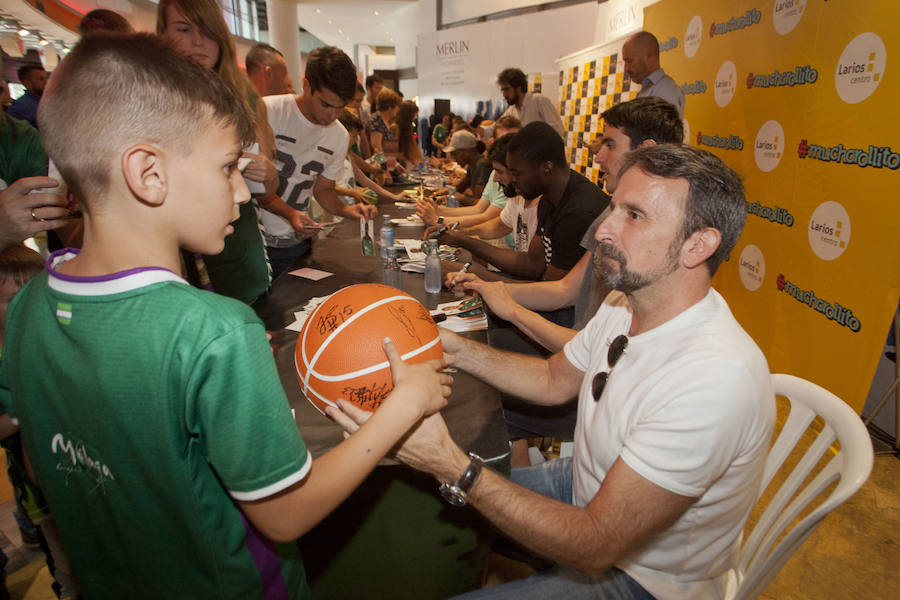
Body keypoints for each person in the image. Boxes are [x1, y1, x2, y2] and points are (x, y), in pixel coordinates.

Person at [0, 33, 450, 598]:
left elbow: (45, 463)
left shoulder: (27, 308)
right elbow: (286, 513)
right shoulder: (215, 331)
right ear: (149, 173)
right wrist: (405, 402)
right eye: (226, 168)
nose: (243, 193)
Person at [335, 143, 775, 600]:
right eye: (613, 208)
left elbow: (595, 544)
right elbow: (552, 380)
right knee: (411, 499)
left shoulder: (715, 379)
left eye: (635, 216)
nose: (603, 229)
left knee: (445, 482)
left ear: (698, 245)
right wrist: (456, 350)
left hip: (644, 578)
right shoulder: (625, 302)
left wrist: (451, 462)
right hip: (586, 480)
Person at [458, 97, 685, 354]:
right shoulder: (607, 215)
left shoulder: (664, 236)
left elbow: (593, 350)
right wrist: (487, 287)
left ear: (647, 151)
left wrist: (504, 302)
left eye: (609, 145)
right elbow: (566, 291)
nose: (598, 157)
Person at [158, 0, 279, 304]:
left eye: (209, 32)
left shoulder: (246, 99)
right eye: (184, 29)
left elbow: (261, 190)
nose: (198, 41)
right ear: (163, 32)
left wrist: (268, 173)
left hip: (238, 254)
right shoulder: (147, 100)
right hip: (169, 264)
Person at [261, 46, 378, 278]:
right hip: (257, 243)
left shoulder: (339, 135)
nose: (332, 116)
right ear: (307, 86)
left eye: (340, 108)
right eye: (326, 104)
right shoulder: (268, 111)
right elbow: (252, 186)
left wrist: (347, 210)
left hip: (297, 244)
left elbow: (323, 190)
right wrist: (289, 213)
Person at [622, 31, 685, 117]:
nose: (626, 68)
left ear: (649, 57)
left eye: (629, 61)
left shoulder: (666, 90)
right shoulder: (647, 89)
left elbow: (660, 129)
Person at [498, 67, 565, 140]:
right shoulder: (512, 110)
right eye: (502, 90)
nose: (504, 94)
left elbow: (558, 130)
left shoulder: (539, 101)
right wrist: (484, 130)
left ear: (518, 88)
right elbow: (496, 127)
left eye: (506, 89)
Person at [442, 130, 491, 205]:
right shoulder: (472, 165)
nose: (454, 158)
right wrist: (435, 193)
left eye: (455, 153)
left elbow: (479, 202)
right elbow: (459, 188)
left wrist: (461, 198)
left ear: (467, 151)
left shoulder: (482, 165)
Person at [7, 65, 47, 130]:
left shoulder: (46, 101)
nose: (47, 82)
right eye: (41, 79)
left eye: (46, 78)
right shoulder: (20, 107)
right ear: (28, 83)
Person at [367, 88, 401, 157]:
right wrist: (383, 166)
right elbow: (376, 148)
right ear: (390, 106)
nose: (398, 109)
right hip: (380, 165)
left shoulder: (386, 121)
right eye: (397, 106)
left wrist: (396, 165)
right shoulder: (376, 120)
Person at [397, 100, 424, 168]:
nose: (414, 119)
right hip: (396, 167)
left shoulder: (408, 129)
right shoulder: (395, 129)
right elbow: (390, 153)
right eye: (413, 116)